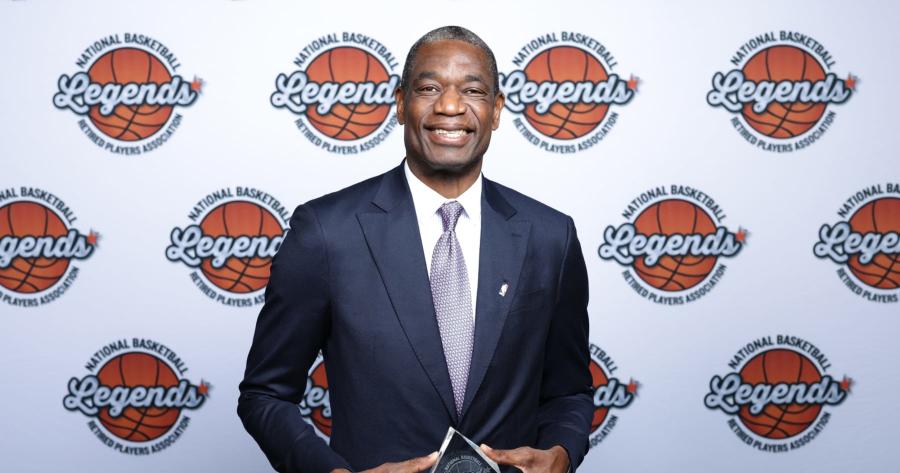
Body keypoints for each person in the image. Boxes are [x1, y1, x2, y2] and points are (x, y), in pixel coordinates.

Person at [238, 26, 593, 473]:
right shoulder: (326, 232)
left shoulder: (550, 236)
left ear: (498, 110)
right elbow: (265, 395)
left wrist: (561, 454)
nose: (450, 106)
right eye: (429, 88)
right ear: (401, 103)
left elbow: (569, 392)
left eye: (473, 90)